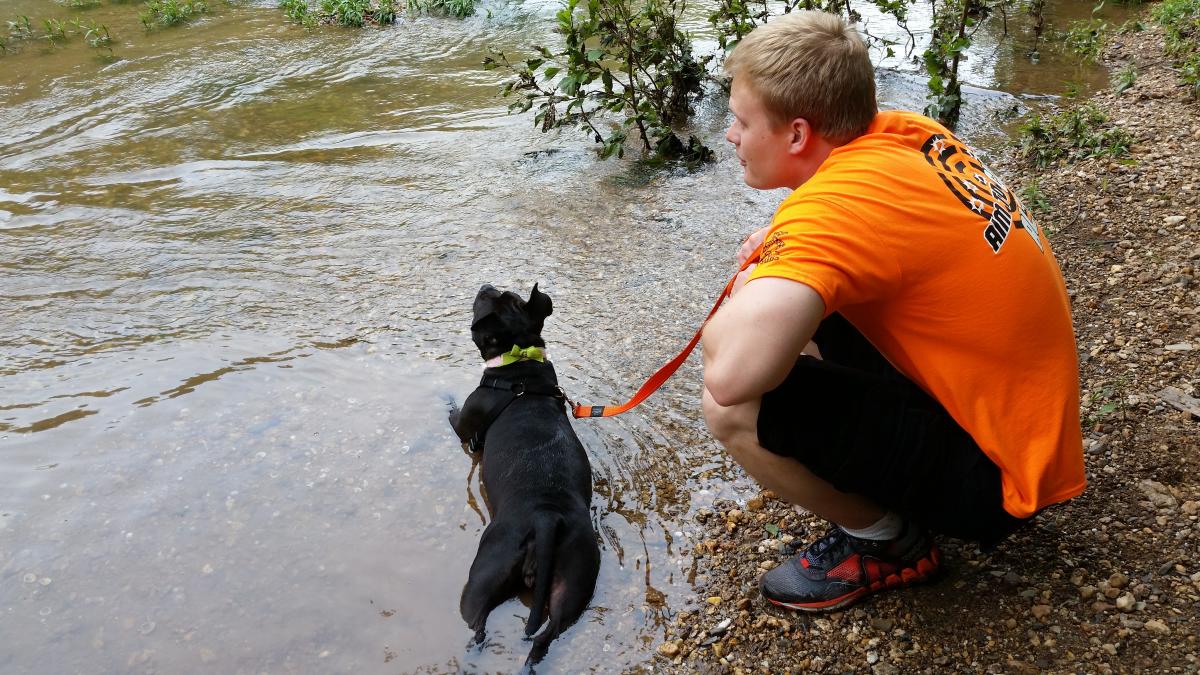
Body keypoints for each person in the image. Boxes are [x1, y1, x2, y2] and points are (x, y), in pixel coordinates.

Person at [700, 10, 1086, 612]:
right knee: (807, 309)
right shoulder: (905, 134)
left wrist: (754, 279)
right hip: (1027, 430)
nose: (730, 136)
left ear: (798, 135)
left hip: (998, 482)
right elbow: (860, 231)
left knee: (733, 408)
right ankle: (898, 482)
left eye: (740, 121)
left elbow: (731, 379)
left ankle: (890, 545)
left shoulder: (834, 214)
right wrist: (786, 255)